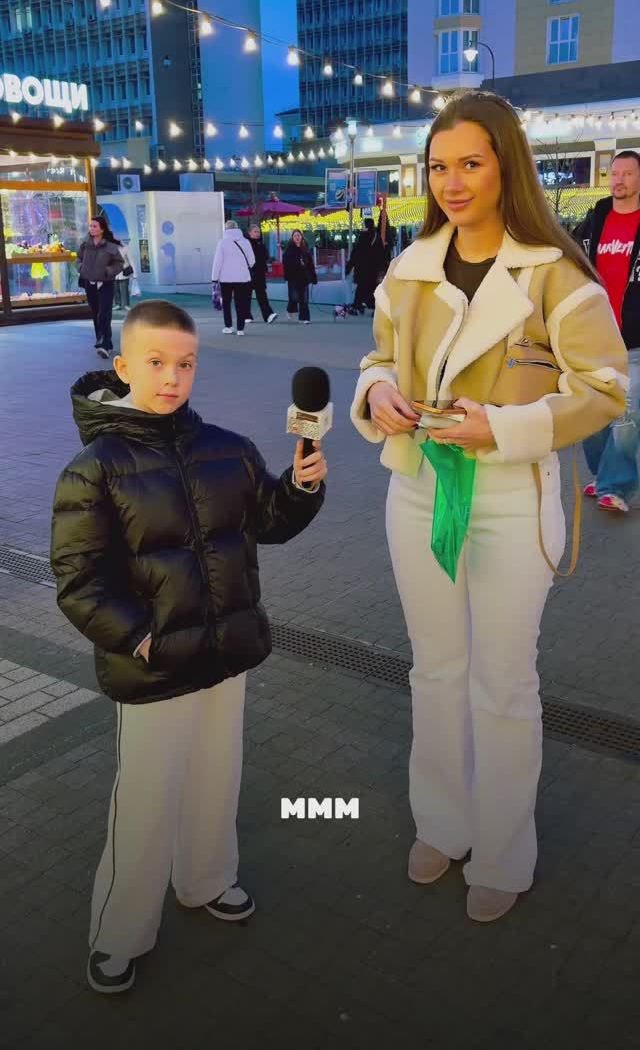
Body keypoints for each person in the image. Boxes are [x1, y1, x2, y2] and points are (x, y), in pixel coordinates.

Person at [351, 90, 627, 924]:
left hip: (513, 494)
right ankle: (442, 820)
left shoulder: (557, 272)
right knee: (434, 668)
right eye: (439, 166)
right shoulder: (409, 267)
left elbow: (606, 388)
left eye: (471, 163)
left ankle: (505, 849)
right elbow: (376, 358)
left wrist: (504, 427)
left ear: (507, 165)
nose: (452, 182)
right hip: (419, 488)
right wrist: (378, 392)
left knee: (503, 682)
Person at [50, 299, 327, 995]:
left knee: (216, 778)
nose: (172, 377)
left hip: (226, 655)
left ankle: (207, 880)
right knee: (145, 802)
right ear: (123, 366)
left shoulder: (227, 448)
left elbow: (269, 520)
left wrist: (301, 487)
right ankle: (119, 933)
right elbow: (78, 579)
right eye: (156, 362)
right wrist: (139, 638)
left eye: (185, 363)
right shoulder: (94, 469)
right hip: (153, 668)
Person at [573, 150, 640, 513]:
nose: (619, 180)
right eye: (614, 173)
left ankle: (616, 486)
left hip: (635, 339)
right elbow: (570, 258)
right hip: (595, 336)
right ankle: (603, 477)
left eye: (627, 173)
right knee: (592, 414)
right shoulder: (595, 220)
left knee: (628, 415)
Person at [77, 216, 124, 359]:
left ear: (102, 229)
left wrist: (108, 272)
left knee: (104, 314)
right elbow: (78, 258)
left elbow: (119, 263)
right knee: (95, 313)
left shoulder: (111, 246)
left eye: (94, 226)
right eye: (90, 226)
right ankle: (100, 339)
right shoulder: (85, 244)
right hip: (89, 283)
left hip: (105, 284)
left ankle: (106, 345)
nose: (91, 229)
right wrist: (81, 268)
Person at [211, 219, 255, 336]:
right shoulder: (246, 242)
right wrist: (243, 267)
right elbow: (252, 261)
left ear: (226, 229)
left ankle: (228, 327)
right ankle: (240, 329)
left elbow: (217, 262)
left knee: (226, 303)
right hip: (242, 278)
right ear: (237, 228)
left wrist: (214, 278)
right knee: (240, 303)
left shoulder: (222, 243)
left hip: (225, 279)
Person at [346, 218, 386, 314]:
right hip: (373, 269)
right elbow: (382, 254)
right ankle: (374, 308)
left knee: (361, 288)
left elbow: (356, 253)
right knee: (373, 288)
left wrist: (349, 267)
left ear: (366, 225)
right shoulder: (377, 237)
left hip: (362, 268)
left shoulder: (363, 237)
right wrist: (382, 268)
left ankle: (357, 306)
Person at [283, 229, 317, 323]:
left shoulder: (306, 249)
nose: (297, 237)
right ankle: (290, 310)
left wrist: (313, 277)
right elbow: (286, 263)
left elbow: (311, 265)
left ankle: (304, 318)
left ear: (302, 237)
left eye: (298, 235)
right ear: (292, 238)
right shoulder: (289, 250)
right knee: (294, 298)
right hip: (293, 277)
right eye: (295, 236)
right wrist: (297, 263)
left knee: (304, 298)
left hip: (304, 277)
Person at [247, 223, 277, 324]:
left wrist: (266, 265)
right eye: (255, 231)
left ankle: (268, 315)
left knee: (262, 295)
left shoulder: (261, 244)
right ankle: (246, 315)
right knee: (246, 296)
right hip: (248, 273)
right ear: (249, 233)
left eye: (258, 232)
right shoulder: (246, 244)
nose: (257, 233)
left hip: (259, 273)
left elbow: (265, 257)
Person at [114, 239, 137, 312]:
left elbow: (131, 261)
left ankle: (126, 305)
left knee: (124, 289)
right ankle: (118, 304)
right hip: (114, 273)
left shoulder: (125, 248)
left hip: (124, 272)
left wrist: (135, 273)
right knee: (115, 289)